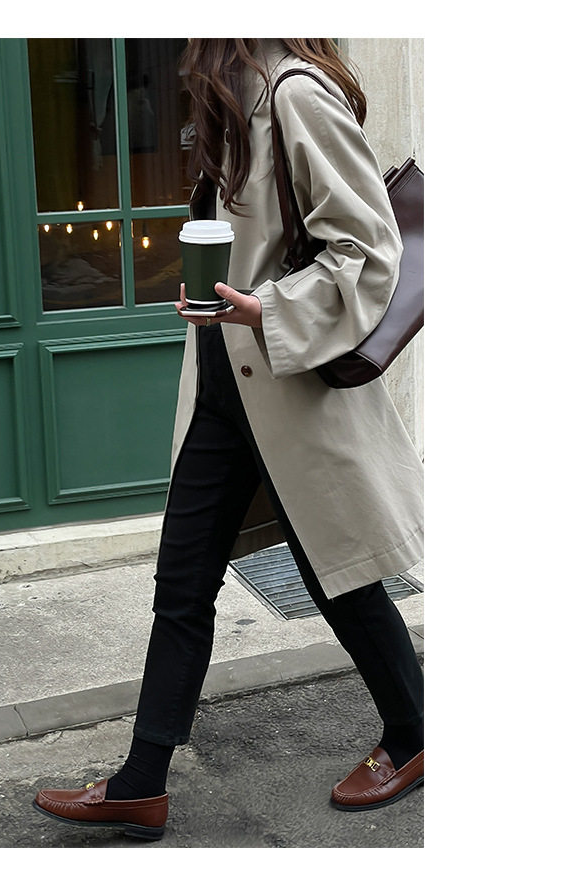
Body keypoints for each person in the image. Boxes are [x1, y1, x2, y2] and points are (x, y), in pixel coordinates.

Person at [33, 38, 424, 840]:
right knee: (182, 584)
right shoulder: (230, 99)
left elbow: (369, 246)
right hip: (223, 385)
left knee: (339, 578)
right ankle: (141, 783)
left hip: (288, 385)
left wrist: (265, 307)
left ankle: (415, 735)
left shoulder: (295, 93)